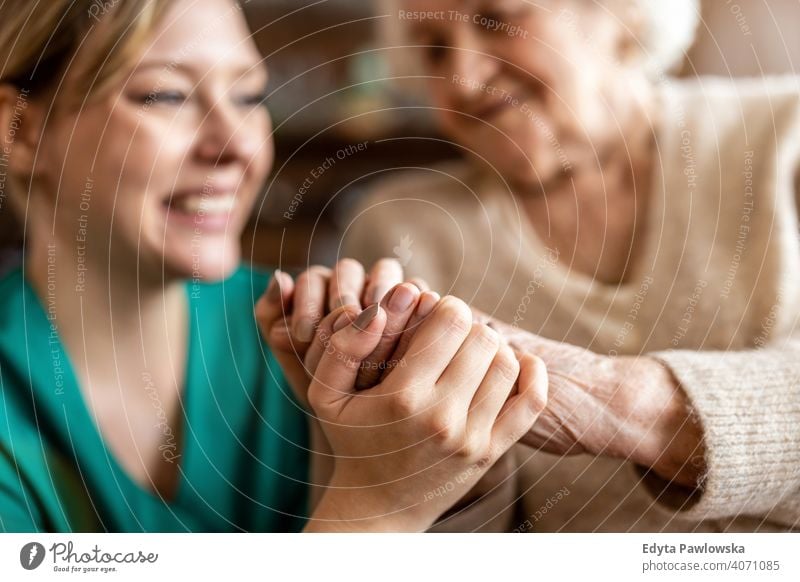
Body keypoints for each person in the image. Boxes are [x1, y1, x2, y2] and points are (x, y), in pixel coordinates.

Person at [0, 0, 546, 533]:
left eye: (248, 96)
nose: (237, 144)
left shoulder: (319, 342)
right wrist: (376, 510)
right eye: (166, 95)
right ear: (20, 131)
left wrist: (441, 465)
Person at [344, 0, 800, 532]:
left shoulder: (785, 136)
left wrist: (617, 402)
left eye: (497, 18)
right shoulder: (408, 228)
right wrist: (434, 459)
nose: (463, 79)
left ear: (622, 14)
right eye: (434, 49)